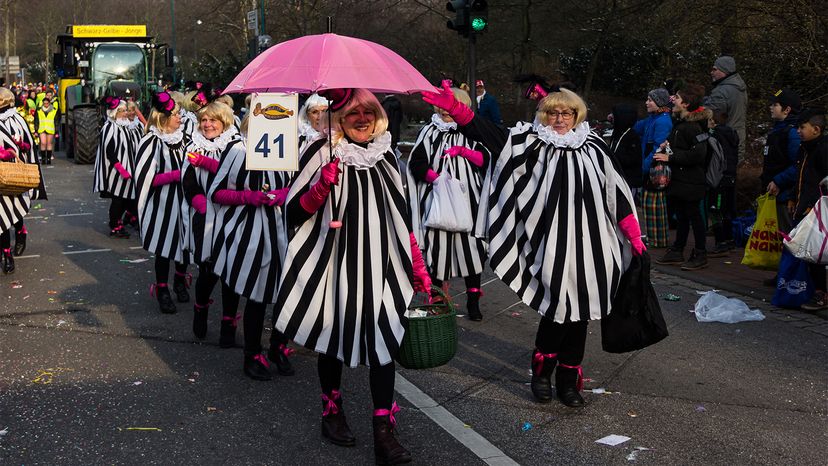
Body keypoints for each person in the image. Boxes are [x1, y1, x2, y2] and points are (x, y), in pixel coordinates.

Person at [423, 81, 644, 409]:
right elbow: (493, 136)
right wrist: (459, 112)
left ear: (576, 115)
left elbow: (616, 190)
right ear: (543, 114)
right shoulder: (530, 143)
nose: (559, 118)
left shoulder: (594, 147)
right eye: (552, 112)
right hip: (548, 242)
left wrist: (633, 233)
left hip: (592, 243)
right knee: (556, 309)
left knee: (581, 314)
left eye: (565, 112)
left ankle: (569, 380)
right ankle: (542, 374)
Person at [274, 88, 429, 464]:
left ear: (379, 116)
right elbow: (291, 214)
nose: (362, 119)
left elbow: (400, 213)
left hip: (381, 265)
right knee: (333, 340)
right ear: (339, 119)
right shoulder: (320, 153)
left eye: (368, 112)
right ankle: (332, 413)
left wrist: (418, 264)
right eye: (354, 113)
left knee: (384, 344)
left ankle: (383, 433)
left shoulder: (387, 154)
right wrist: (319, 189)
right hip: (334, 264)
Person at [208, 101, 296, 380]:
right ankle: (252, 353)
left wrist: (285, 194)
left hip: (284, 228)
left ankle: (278, 346)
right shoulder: (238, 150)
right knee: (257, 295)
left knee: (286, 294)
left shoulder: (290, 149)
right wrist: (250, 197)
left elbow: (297, 185)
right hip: (250, 232)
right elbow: (217, 192)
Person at [407, 86, 489, 321]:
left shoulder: (473, 130)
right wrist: (436, 179)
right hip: (437, 199)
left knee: (472, 250)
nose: (445, 111)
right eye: (442, 106)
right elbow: (417, 163)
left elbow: (486, 159)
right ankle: (438, 300)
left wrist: (464, 152)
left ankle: (473, 300)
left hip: (469, 198)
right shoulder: (429, 131)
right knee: (437, 251)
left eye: (451, 106)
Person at [181, 101, 242, 344]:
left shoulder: (238, 147)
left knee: (231, 273)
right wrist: (201, 204)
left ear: (224, 122)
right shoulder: (193, 145)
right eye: (204, 120)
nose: (207, 125)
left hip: (231, 214)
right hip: (204, 216)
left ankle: (229, 322)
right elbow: (188, 182)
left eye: (213, 120)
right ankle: (201, 308)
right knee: (208, 270)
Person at [134, 91, 191, 314]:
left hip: (184, 202)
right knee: (164, 249)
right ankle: (162, 289)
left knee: (184, 244)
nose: (180, 118)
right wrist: (176, 175)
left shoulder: (186, 138)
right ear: (164, 117)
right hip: (162, 204)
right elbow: (145, 178)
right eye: (176, 114)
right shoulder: (151, 140)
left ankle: (179, 280)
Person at [654, 83, 710, 270]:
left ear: (685, 104)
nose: (673, 100)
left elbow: (698, 154)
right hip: (680, 180)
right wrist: (667, 146)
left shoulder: (693, 127)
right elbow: (681, 147)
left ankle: (700, 253)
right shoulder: (681, 124)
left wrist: (670, 156)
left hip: (692, 181)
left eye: (676, 98)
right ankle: (678, 249)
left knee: (694, 217)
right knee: (682, 216)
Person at [791, 108, 828, 310]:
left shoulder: (823, 149)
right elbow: (800, 177)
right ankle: (808, 286)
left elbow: (822, 182)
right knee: (807, 249)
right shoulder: (803, 148)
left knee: (817, 251)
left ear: (816, 129)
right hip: (802, 205)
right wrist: (792, 198)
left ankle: (821, 292)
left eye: (802, 127)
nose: (798, 131)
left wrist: (815, 206)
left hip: (818, 209)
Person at [0, 87, 39, 273]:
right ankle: (7, 255)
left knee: (13, 211)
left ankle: (21, 231)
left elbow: (29, 146)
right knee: (1, 218)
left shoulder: (17, 119)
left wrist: (16, 147)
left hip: (14, 173)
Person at [634, 88, 673, 248]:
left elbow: (658, 147)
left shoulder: (663, 121)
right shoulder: (653, 118)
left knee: (654, 204)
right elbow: (638, 127)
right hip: (649, 165)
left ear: (659, 103)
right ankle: (652, 235)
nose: (647, 102)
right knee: (648, 203)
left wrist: (643, 167)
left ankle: (658, 239)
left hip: (655, 168)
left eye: (650, 100)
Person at [93, 97, 135, 240]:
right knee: (118, 199)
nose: (125, 113)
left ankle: (120, 222)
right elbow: (109, 152)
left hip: (126, 169)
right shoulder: (109, 128)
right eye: (121, 111)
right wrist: (121, 169)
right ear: (114, 112)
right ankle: (115, 226)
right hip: (115, 171)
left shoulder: (123, 126)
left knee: (124, 198)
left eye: (125, 110)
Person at [763, 88, 802, 235]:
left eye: (775, 104)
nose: (771, 107)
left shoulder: (792, 133)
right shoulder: (777, 131)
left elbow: (798, 164)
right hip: (774, 196)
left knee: (786, 238)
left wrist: (778, 181)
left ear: (787, 110)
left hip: (785, 197)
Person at [706, 111, 739, 257]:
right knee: (727, 210)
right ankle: (730, 239)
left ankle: (720, 242)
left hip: (719, 178)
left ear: (713, 122)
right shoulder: (732, 135)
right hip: (731, 177)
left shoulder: (715, 136)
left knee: (715, 210)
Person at [707, 56, 748, 161]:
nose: (712, 72)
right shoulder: (739, 87)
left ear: (725, 70)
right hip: (738, 137)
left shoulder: (722, 91)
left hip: (725, 141)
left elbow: (712, 115)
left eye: (715, 69)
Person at [610, 103, 643, 200]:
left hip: (628, 180)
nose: (612, 117)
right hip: (617, 178)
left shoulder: (632, 136)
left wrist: (615, 157)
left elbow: (634, 159)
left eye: (615, 115)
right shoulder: (616, 133)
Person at [35, 97, 57, 165]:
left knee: (49, 144)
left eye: (47, 103)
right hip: (42, 129)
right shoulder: (39, 110)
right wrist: (36, 129)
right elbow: (36, 119)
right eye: (44, 103)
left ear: (49, 103)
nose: (46, 105)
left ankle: (48, 159)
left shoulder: (53, 110)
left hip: (50, 128)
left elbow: (56, 120)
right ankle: (43, 159)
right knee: (43, 143)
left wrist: (56, 129)